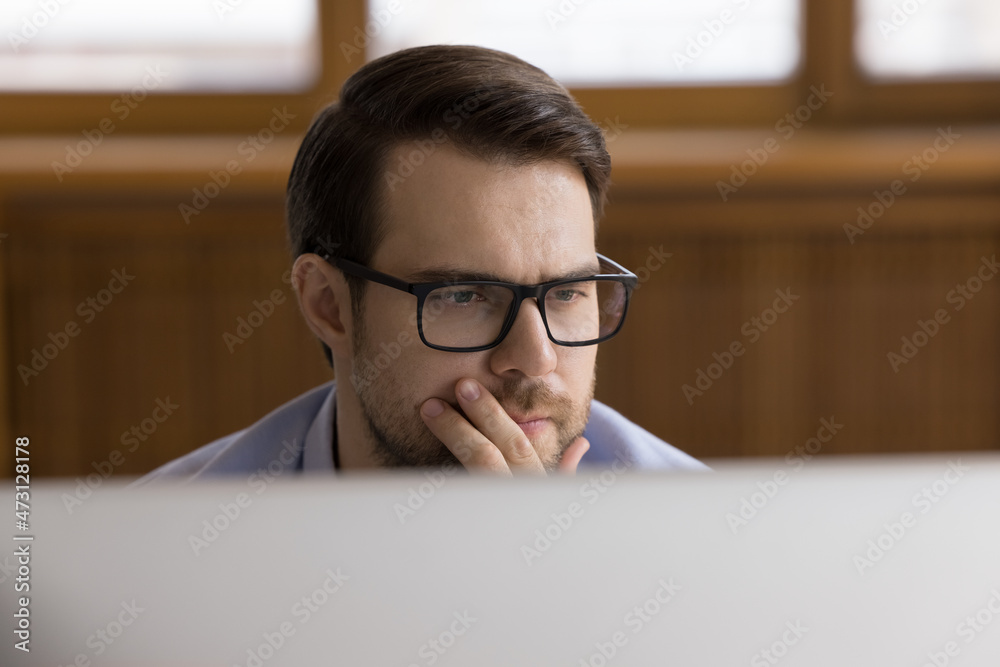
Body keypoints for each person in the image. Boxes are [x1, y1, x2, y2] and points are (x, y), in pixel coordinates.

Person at [139, 44, 707, 483]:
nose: (535, 359)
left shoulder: (710, 545)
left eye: (568, 293)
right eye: (464, 296)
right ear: (328, 304)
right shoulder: (158, 552)